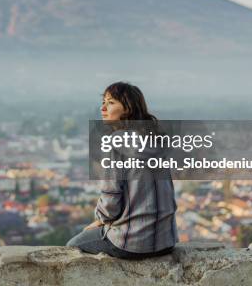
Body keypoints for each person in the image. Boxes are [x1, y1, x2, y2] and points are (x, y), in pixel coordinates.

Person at [66, 81, 178, 259]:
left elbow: (111, 197)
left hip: (132, 243)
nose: (103, 108)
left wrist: (100, 221)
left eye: (110, 102)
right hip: (166, 241)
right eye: (103, 102)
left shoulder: (115, 142)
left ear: (128, 109)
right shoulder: (158, 140)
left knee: (72, 247)